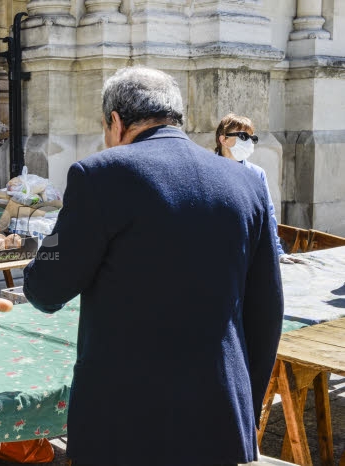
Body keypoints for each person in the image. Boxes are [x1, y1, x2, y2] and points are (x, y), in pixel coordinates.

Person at [22, 66, 284, 466]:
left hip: (125, 421)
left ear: (115, 122)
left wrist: (53, 238)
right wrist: (244, 400)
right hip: (221, 412)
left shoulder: (98, 175)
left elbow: (46, 287)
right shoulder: (244, 181)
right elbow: (267, 310)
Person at [215, 113, 300, 264]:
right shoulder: (208, 170)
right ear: (223, 139)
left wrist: (278, 253)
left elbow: (268, 214)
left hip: (248, 254)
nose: (249, 142)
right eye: (243, 136)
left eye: (252, 138)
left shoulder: (257, 173)